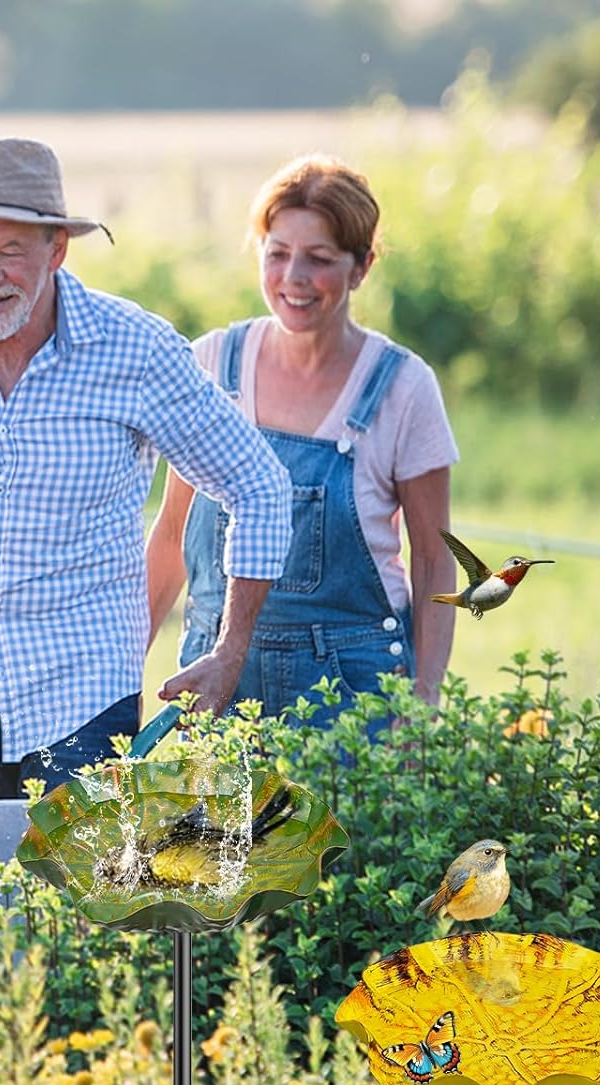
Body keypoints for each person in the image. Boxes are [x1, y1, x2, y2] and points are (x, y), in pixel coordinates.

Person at [0, 137, 292, 798]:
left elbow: (259, 484)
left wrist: (229, 651)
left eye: (9, 253)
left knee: (76, 899)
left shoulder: (135, 350)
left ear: (57, 250)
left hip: (81, 698)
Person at [146, 154, 459, 728]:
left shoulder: (403, 387)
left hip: (353, 685)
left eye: (318, 260)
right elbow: (170, 536)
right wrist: (120, 673)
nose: (293, 278)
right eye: (278, 254)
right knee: (214, 824)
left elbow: (435, 559)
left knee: (347, 824)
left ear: (360, 267)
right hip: (217, 677)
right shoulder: (210, 364)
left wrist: (424, 700)